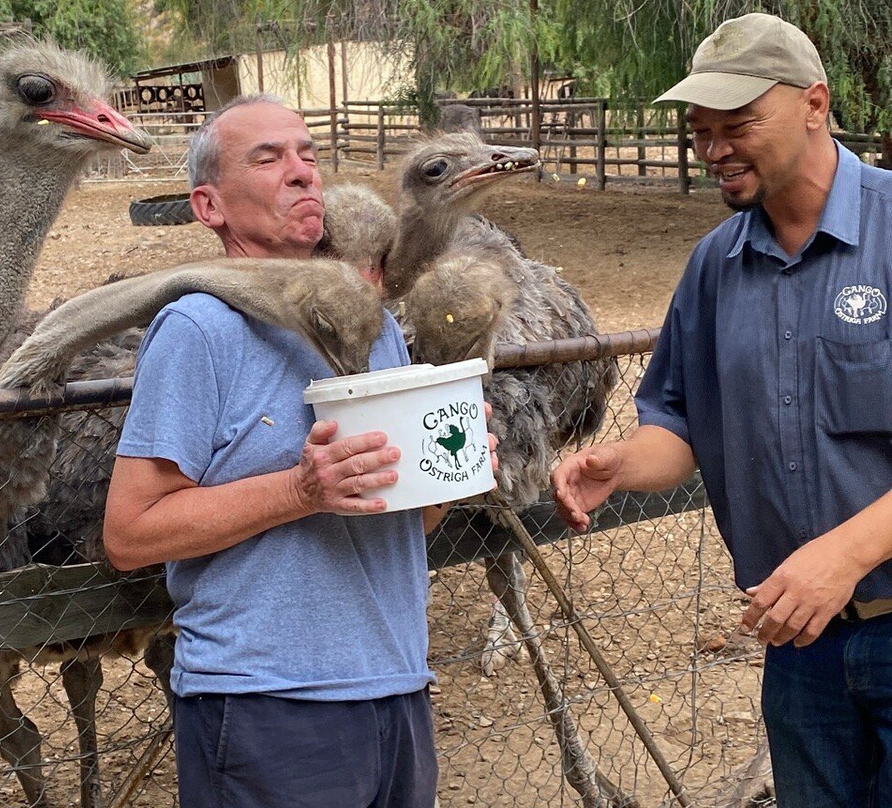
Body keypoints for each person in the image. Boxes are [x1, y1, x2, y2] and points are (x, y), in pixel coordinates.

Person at [103, 95, 485, 807]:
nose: (303, 173)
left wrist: (446, 463)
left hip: (396, 687)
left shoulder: (375, 331)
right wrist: (299, 491)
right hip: (266, 705)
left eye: (308, 155)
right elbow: (130, 534)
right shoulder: (198, 330)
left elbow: (408, 521)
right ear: (209, 206)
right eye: (269, 158)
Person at [551, 12, 892, 806]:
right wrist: (620, 464)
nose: (713, 150)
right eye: (700, 131)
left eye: (738, 124)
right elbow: (679, 423)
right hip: (801, 645)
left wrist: (841, 557)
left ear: (815, 104)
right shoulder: (715, 266)